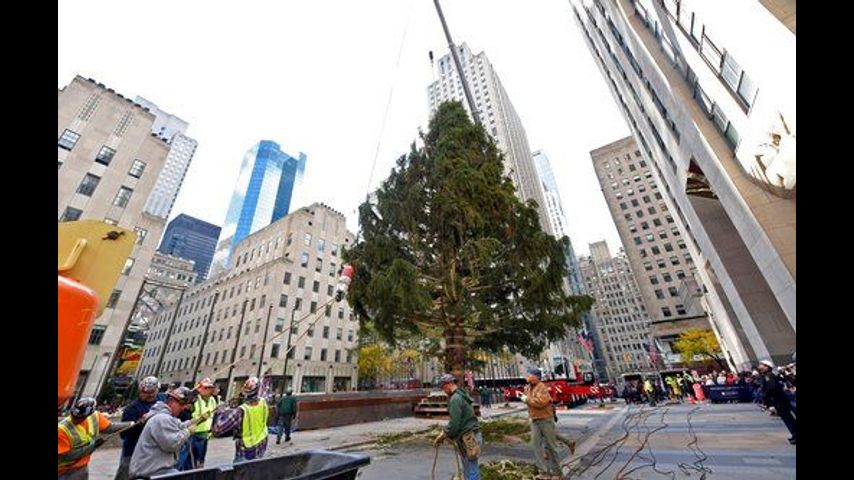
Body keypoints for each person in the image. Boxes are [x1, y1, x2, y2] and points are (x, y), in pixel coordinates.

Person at [129, 387, 204, 479]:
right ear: (172, 401)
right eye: (182, 404)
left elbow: (178, 426)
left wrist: (195, 421)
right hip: (151, 474)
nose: (183, 408)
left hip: (156, 473)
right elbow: (172, 443)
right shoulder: (162, 419)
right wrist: (188, 431)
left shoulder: (164, 417)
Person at [59, 397, 135, 480]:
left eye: (79, 418)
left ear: (88, 414)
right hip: (62, 470)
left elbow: (109, 428)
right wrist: (92, 446)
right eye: (74, 416)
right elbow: (65, 456)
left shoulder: (95, 417)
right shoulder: (62, 430)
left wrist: (131, 424)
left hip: (81, 467)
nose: (75, 419)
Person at [519, 368, 566, 480]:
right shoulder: (529, 388)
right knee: (536, 445)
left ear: (536, 376)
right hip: (534, 420)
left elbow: (540, 402)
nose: (527, 377)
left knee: (550, 445)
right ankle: (543, 471)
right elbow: (530, 402)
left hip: (545, 419)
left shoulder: (541, 387)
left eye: (529, 375)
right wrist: (526, 398)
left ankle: (557, 472)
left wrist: (526, 399)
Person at [433, 373, 482, 480]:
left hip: (469, 438)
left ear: (449, 384)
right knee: (469, 469)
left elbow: (454, 424)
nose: (443, 390)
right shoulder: (461, 394)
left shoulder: (455, 399)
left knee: (471, 470)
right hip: (471, 436)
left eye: (443, 387)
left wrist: (444, 434)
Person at [213, 377, 271, 462]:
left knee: (242, 472)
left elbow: (217, 430)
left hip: (247, 450)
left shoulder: (241, 411)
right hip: (261, 444)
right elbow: (266, 393)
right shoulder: (263, 402)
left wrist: (220, 413)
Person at [114, 376, 160, 480]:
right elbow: (123, 433)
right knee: (125, 475)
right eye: (144, 392)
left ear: (156, 391)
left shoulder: (160, 404)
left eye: (150, 392)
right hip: (132, 450)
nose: (147, 395)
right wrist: (138, 424)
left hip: (151, 451)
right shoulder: (132, 408)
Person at [177, 378, 219, 470]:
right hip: (192, 435)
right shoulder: (195, 398)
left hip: (204, 436)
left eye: (209, 388)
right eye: (205, 387)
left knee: (197, 462)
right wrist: (196, 389)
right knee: (184, 461)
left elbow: (214, 415)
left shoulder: (212, 400)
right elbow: (187, 402)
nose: (207, 390)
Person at [757, 360, 796, 444]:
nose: (759, 366)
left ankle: (795, 435)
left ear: (766, 366)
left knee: (787, 418)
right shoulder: (767, 375)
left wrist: (765, 397)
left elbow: (771, 388)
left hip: (779, 400)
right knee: (788, 418)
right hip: (779, 400)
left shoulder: (769, 376)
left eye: (761, 365)